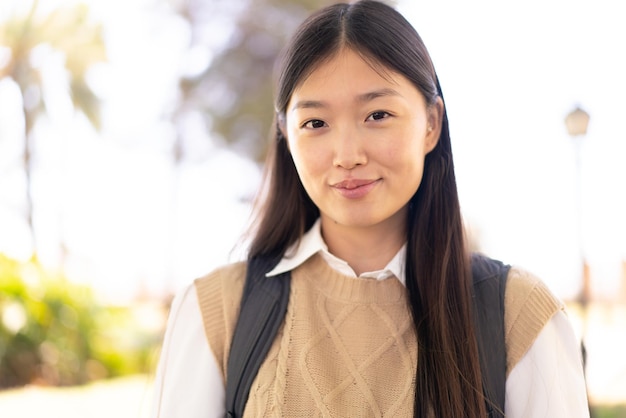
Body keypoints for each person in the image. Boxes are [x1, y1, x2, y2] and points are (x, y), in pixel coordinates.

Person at [150, 1, 589, 417]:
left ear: (432, 124)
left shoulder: (518, 314)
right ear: (287, 136)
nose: (347, 154)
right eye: (315, 123)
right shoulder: (215, 312)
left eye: (377, 115)